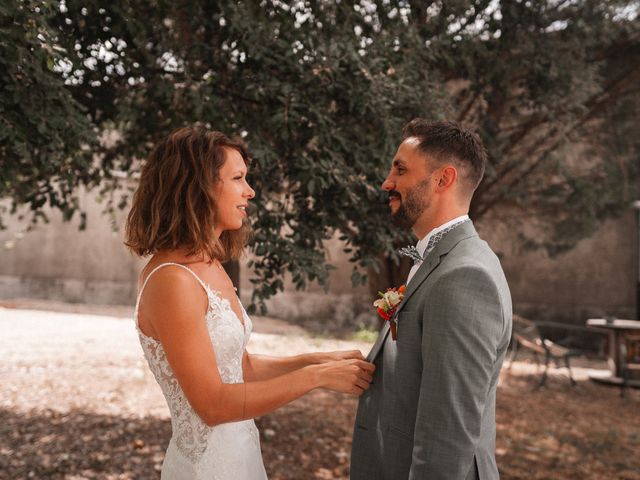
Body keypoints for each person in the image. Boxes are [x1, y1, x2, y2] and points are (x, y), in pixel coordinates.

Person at [124, 125, 374, 479]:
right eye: (238, 178)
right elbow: (212, 404)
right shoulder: (172, 281)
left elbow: (238, 367)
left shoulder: (208, 264)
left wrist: (318, 359)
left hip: (240, 458)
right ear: (200, 188)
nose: (250, 191)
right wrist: (316, 377)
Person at [350, 119, 512, 480]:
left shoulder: (464, 277)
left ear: (443, 179)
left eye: (400, 169)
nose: (386, 183)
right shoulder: (440, 259)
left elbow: (447, 437)